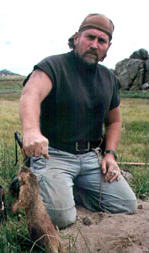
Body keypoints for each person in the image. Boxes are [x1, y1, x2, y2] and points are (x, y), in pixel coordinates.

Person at [19, 13, 137, 229]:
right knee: (61, 218)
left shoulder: (109, 78)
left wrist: (110, 154)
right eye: (89, 37)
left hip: (92, 159)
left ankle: (69, 189)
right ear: (76, 38)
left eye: (101, 41)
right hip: (54, 155)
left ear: (108, 47)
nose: (94, 44)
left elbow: (114, 122)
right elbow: (30, 94)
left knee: (126, 204)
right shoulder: (53, 66)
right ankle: (39, 182)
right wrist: (31, 132)